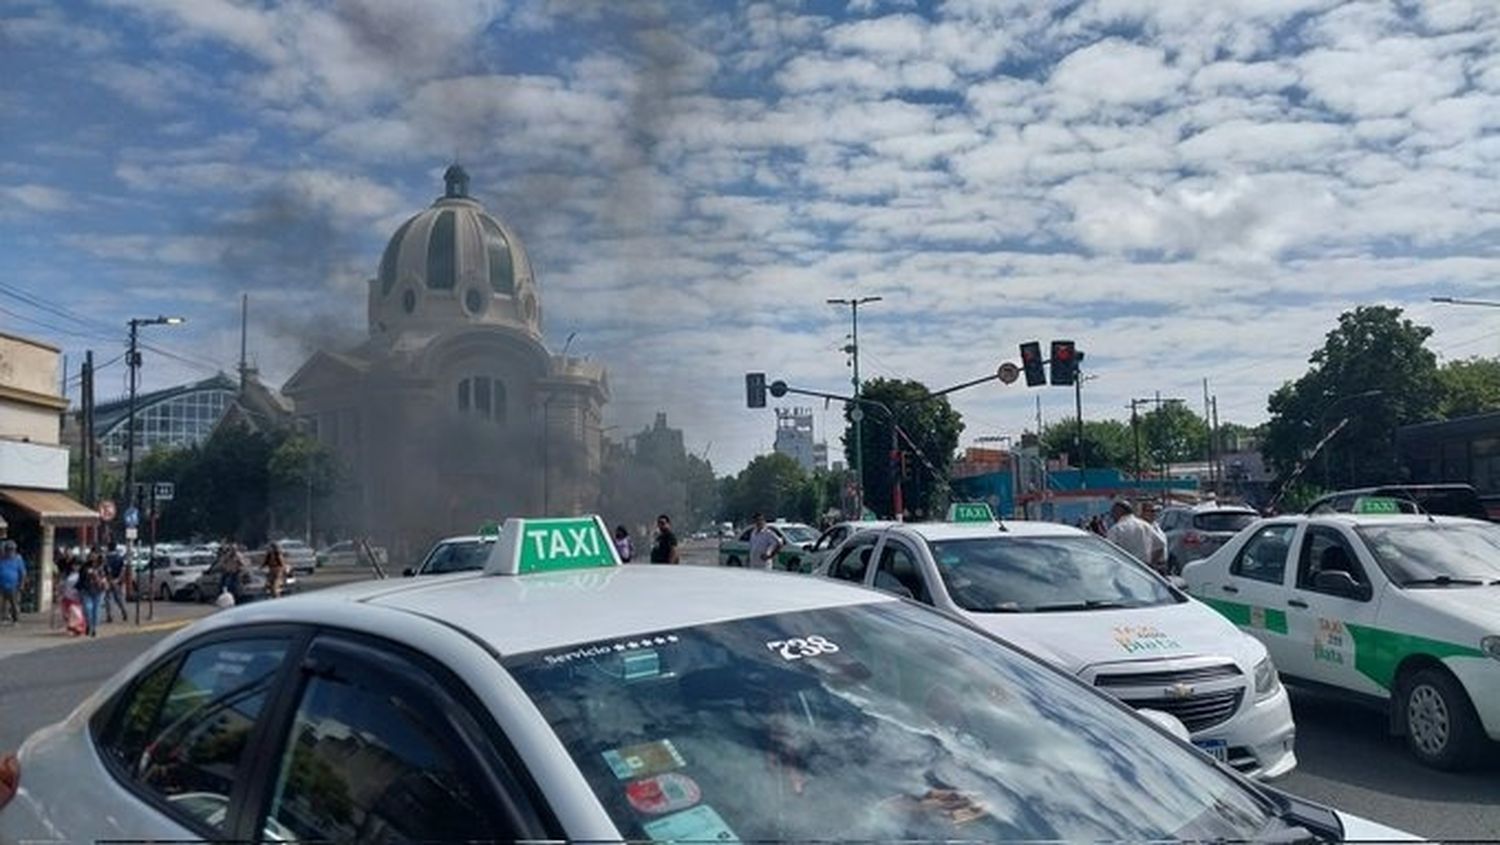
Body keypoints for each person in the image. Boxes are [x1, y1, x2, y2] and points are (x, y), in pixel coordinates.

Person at [1106, 500, 1163, 570]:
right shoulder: (1145, 525)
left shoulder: (1117, 529)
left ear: (1119, 511)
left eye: (1113, 512)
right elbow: (1160, 546)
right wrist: (1151, 564)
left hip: (1125, 570)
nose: (1112, 516)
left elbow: (1108, 552)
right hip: (1145, 570)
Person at [77, 549, 106, 637]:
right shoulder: (85, 566)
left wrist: (102, 581)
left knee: (96, 610)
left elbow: (106, 577)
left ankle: (94, 628)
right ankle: (89, 624)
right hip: (86, 591)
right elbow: (81, 578)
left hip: (98, 591)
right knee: (88, 609)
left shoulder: (102, 566)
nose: (93, 556)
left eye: (95, 554)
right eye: (91, 554)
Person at [1139, 501, 1169, 574]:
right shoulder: (1142, 527)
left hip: (1162, 564)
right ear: (1143, 512)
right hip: (1153, 565)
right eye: (1151, 511)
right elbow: (1159, 545)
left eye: (1155, 511)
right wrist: (1152, 565)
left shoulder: (1155, 525)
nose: (1154, 513)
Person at [0, 541, 26, 625]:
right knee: (2, 603)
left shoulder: (18, 559)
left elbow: (22, 572)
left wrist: (21, 584)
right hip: (1, 584)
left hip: (14, 585)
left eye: (11, 549)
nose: (10, 551)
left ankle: (15, 620)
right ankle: (4, 618)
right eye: (8, 549)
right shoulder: (1, 559)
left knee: (14, 603)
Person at [103, 542, 128, 623]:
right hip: (117, 581)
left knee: (108, 598)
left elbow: (104, 570)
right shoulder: (119, 558)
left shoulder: (105, 558)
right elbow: (123, 570)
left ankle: (109, 615)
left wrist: (108, 579)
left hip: (108, 580)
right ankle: (124, 612)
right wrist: (118, 579)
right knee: (119, 598)